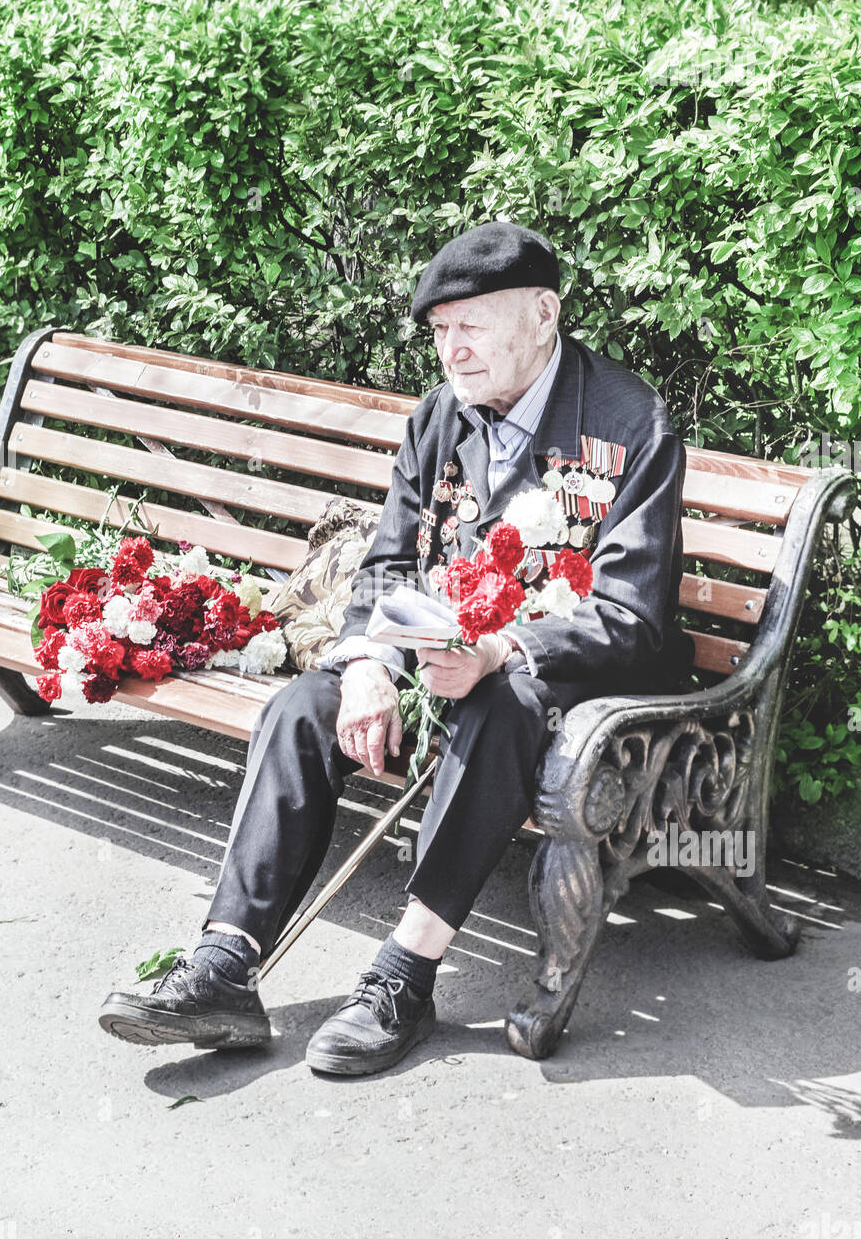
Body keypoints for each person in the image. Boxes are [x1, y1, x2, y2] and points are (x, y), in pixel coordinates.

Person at [99, 222, 692, 1076]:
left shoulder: (628, 422)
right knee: (305, 705)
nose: (452, 350)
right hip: (437, 648)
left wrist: (499, 652)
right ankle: (225, 964)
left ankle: (403, 976)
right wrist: (372, 662)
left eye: (471, 327)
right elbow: (384, 562)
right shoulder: (440, 414)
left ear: (542, 314)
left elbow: (631, 618)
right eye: (439, 331)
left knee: (500, 705)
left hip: (569, 678)